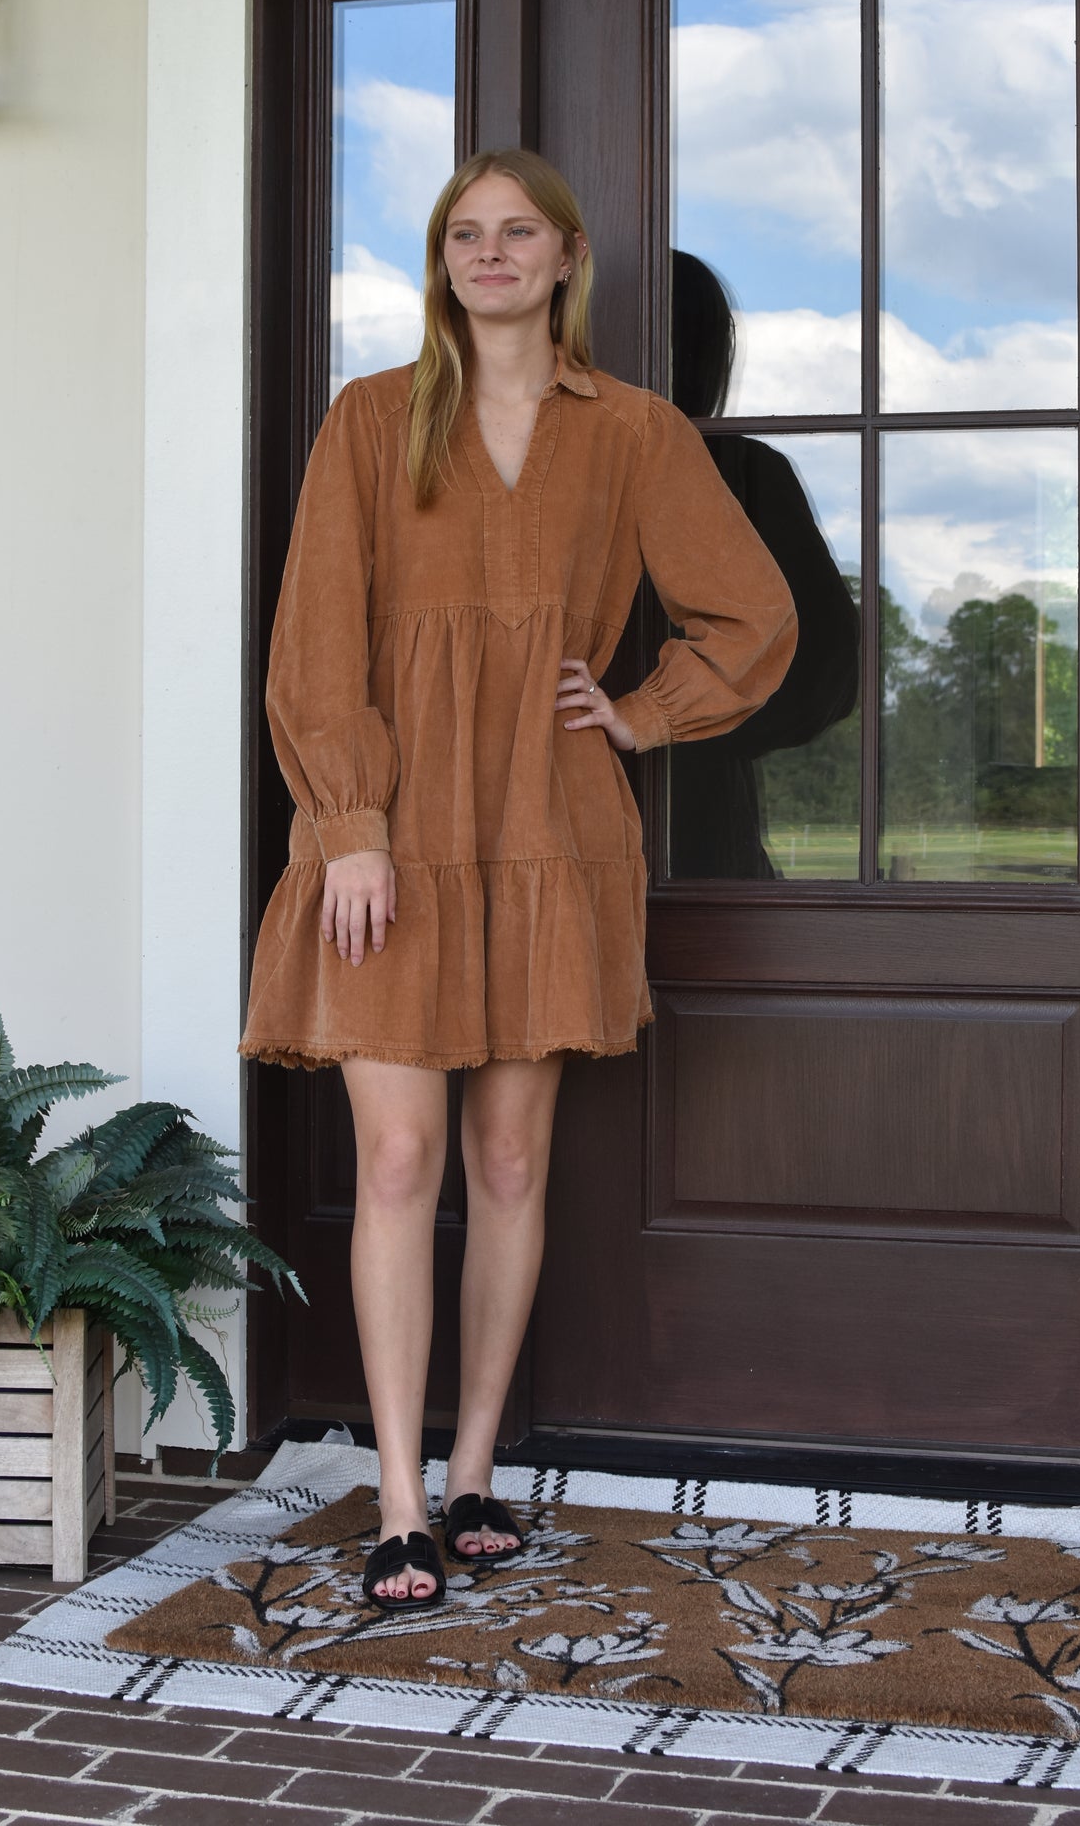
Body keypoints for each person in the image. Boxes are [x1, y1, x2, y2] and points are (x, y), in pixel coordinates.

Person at [239, 148, 798, 1613]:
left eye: (518, 233)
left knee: (503, 1165)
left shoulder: (631, 434)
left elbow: (751, 616)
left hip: (550, 828)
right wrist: (350, 820)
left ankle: (476, 1466)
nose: (490, 254)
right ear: (441, 262)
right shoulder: (370, 422)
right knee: (401, 1162)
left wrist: (641, 712)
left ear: (565, 261)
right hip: (393, 840)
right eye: (464, 234)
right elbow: (312, 640)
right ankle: (399, 1499)